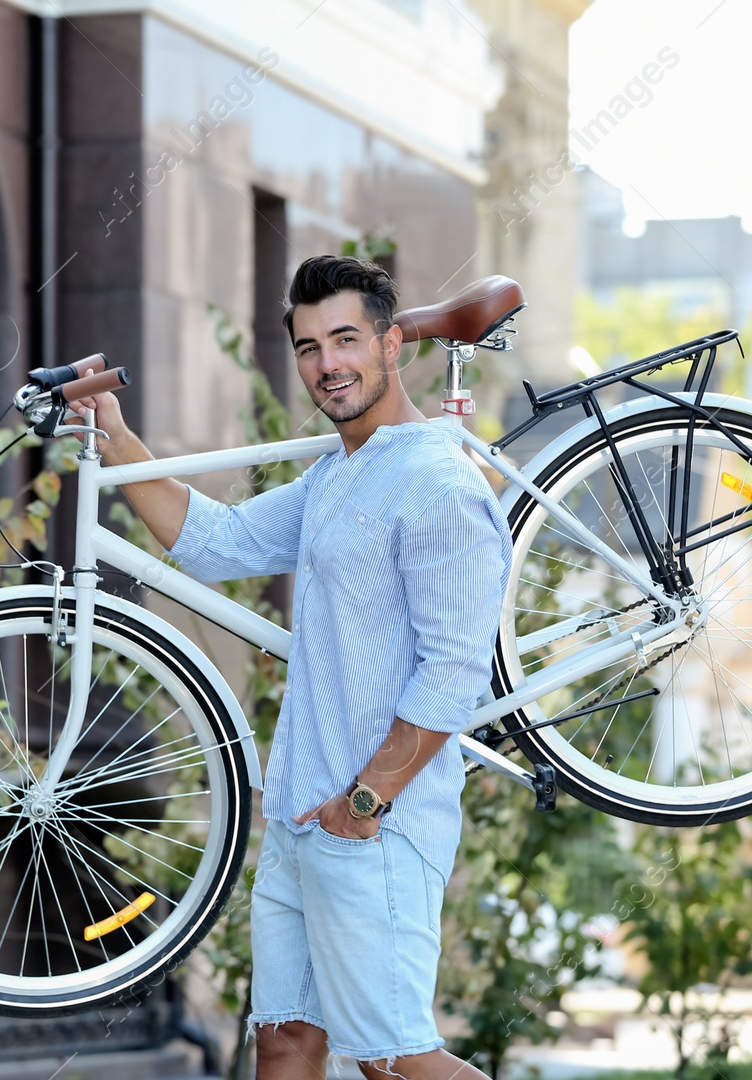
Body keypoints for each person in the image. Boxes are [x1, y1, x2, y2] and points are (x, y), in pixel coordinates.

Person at [70, 255, 511, 1080]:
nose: (327, 364)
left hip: (374, 822)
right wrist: (118, 439)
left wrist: (365, 801)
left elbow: (456, 672)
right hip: (305, 818)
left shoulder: (439, 483)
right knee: (286, 1043)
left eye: (346, 339)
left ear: (392, 344)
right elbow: (216, 541)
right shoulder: (337, 474)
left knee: (396, 1061)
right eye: (309, 347)